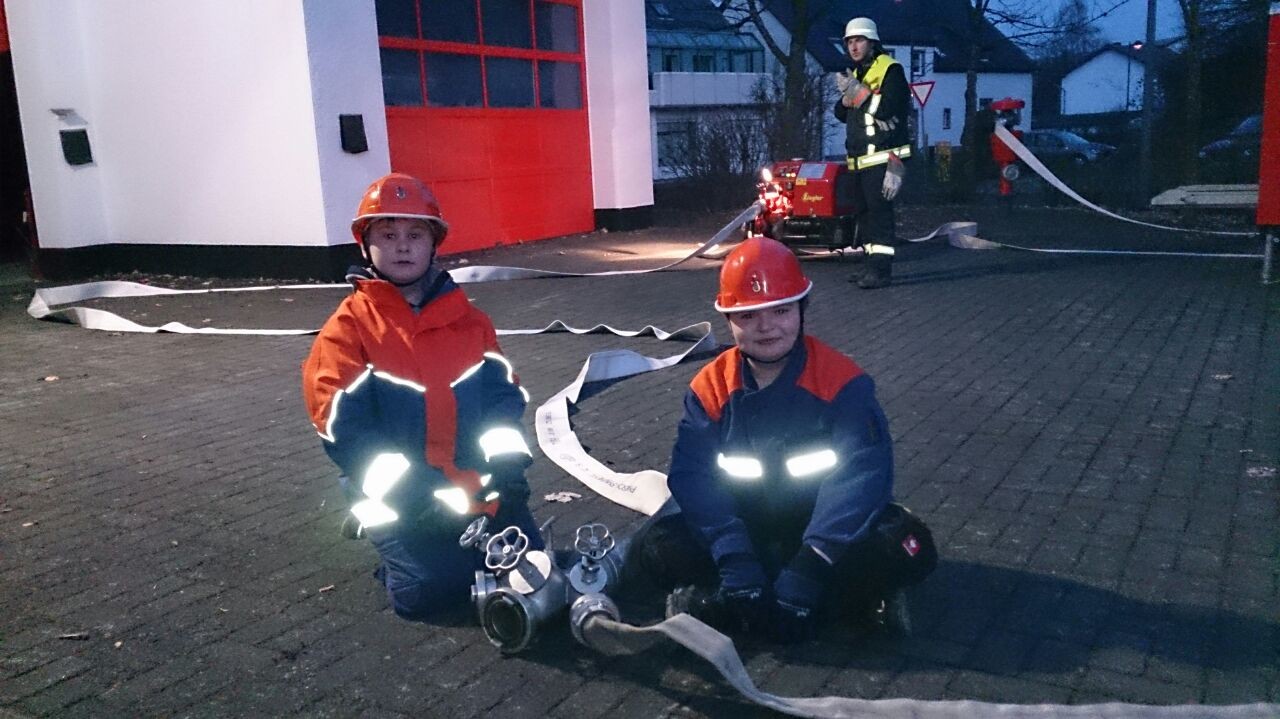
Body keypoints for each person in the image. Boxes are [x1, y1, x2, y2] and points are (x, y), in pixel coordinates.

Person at [634, 237, 936, 643]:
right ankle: (836, 607)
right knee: (657, 548)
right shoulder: (710, 387)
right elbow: (693, 476)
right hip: (745, 527)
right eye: (749, 314)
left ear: (801, 311)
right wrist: (733, 554)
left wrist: (811, 563)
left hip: (819, 527)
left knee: (907, 547)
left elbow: (862, 477)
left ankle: (728, 606)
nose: (767, 326)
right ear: (729, 320)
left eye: (781, 310)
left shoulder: (842, 383)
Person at [301, 172, 543, 620]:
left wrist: (508, 468)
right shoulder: (347, 331)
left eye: (415, 234)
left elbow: (502, 401)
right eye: (388, 235)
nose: (403, 246)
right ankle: (381, 538)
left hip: (470, 480)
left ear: (435, 244)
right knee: (430, 593)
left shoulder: (471, 323)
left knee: (534, 566)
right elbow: (343, 429)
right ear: (365, 246)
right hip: (397, 491)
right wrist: (409, 495)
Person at [833, 16, 911, 289]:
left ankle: (881, 270)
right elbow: (841, 113)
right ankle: (868, 265)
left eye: (859, 40)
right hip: (859, 160)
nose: (853, 47)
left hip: (883, 158)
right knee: (864, 215)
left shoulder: (891, 70)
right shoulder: (858, 75)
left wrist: (859, 95)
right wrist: (849, 97)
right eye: (850, 42)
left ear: (872, 42)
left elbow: (889, 108)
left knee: (879, 216)